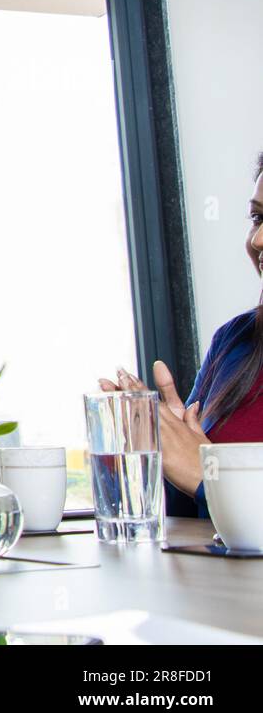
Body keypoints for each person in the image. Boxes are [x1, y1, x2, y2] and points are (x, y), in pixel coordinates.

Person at [99, 150, 263, 518]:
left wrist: (207, 477)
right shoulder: (235, 340)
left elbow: (204, 483)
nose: (257, 240)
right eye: (257, 218)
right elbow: (193, 515)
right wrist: (164, 452)